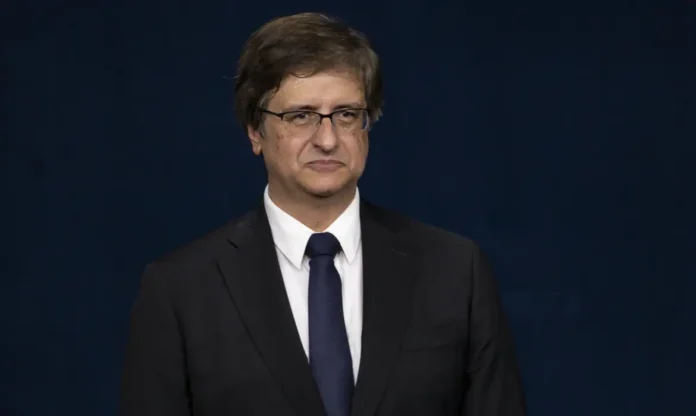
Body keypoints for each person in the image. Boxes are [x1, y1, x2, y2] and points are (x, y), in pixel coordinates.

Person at [119, 12, 526, 416]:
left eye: (346, 114)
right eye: (301, 116)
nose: (328, 139)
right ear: (255, 131)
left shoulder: (455, 271)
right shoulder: (180, 290)